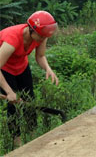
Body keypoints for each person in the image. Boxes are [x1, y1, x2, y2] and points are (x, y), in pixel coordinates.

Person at [0, 11, 59, 147]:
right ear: (31, 30)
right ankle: (17, 143)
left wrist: (48, 68)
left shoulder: (42, 35)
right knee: (13, 106)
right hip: (5, 69)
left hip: (22, 67)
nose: (42, 39)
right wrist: (9, 91)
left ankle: (33, 137)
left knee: (30, 101)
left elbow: (40, 56)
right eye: (40, 36)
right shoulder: (12, 39)